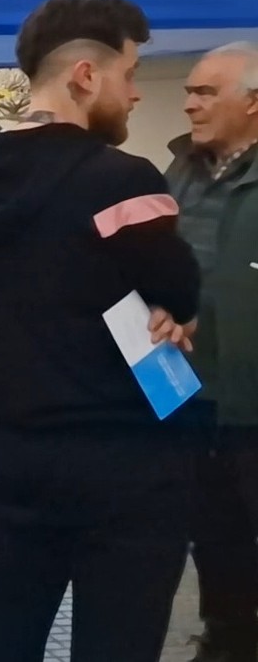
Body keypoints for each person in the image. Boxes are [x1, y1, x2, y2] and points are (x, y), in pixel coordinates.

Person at [0, 0, 202, 662]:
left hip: (13, 450)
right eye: (131, 73)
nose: (137, 94)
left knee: (5, 643)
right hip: (127, 461)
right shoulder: (121, 180)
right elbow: (178, 288)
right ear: (86, 74)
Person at [166, 43, 258, 662]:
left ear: (252, 102)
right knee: (212, 538)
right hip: (187, 398)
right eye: (190, 91)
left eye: (206, 92)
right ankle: (225, 641)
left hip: (254, 403)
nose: (190, 103)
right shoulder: (177, 173)